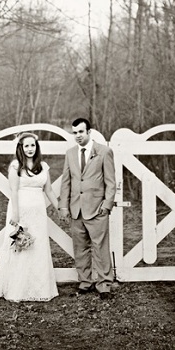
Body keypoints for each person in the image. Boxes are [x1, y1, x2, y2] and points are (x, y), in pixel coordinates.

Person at [0, 132, 59, 302]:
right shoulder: (16, 166)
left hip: (38, 212)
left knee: (38, 246)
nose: (30, 149)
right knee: (20, 246)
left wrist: (59, 208)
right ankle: (18, 289)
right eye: (26, 146)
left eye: (33, 145)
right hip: (21, 210)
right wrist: (16, 213)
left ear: (37, 147)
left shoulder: (43, 166)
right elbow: (14, 190)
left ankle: (39, 289)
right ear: (21, 148)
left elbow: (49, 190)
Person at [59, 118, 116, 299]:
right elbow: (66, 182)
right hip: (76, 209)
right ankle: (85, 282)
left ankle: (104, 284)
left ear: (89, 132)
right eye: (74, 133)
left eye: (81, 132)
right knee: (80, 247)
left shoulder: (104, 152)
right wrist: (63, 206)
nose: (77, 136)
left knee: (100, 247)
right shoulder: (70, 153)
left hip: (97, 209)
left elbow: (111, 182)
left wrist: (106, 206)